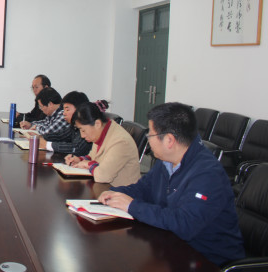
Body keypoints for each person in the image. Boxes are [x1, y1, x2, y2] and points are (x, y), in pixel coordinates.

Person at [98, 102, 245, 266]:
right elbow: (143, 188)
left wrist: (132, 206)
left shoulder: (208, 174)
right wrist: (115, 193)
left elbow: (185, 224)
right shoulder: (167, 161)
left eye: (150, 135)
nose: (148, 140)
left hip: (208, 259)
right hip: (170, 246)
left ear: (169, 140)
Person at [65, 102, 140, 186]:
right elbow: (93, 156)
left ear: (97, 124)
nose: (82, 135)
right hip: (105, 188)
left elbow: (103, 176)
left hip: (121, 191)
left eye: (83, 130)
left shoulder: (120, 142)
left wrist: (88, 164)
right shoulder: (102, 130)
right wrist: (80, 160)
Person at [50, 91, 92, 155]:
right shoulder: (73, 126)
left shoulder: (87, 126)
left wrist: (49, 145)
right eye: (63, 110)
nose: (64, 113)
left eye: (67, 110)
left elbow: (77, 148)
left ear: (79, 109)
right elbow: (59, 136)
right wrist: (40, 138)